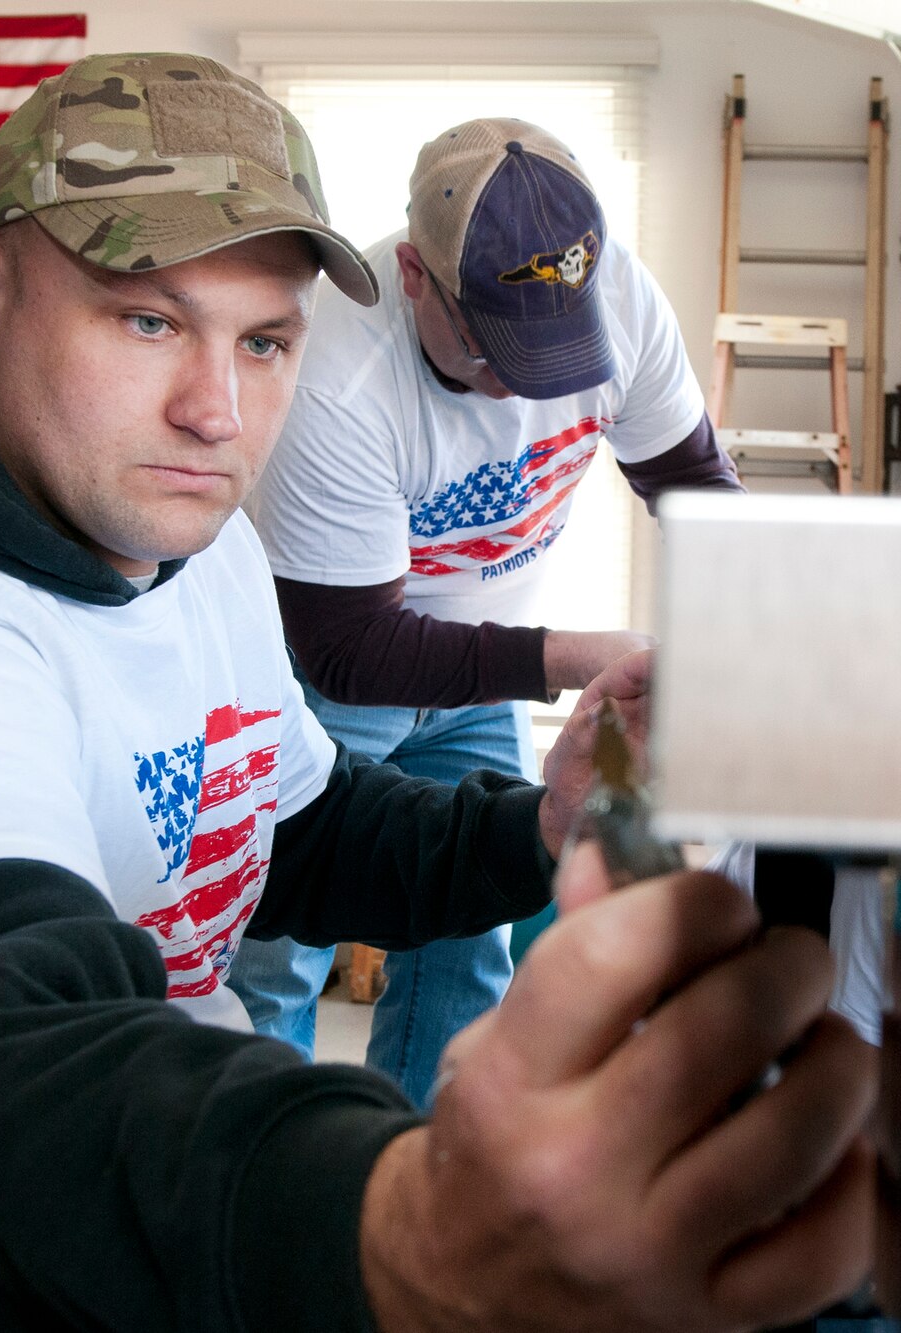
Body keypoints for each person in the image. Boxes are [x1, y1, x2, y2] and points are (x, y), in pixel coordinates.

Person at [0, 55, 874, 1331]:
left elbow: (291, 829)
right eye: (148, 320)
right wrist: (403, 1233)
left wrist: (538, 827)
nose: (214, 412)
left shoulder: (193, 543)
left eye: (266, 339)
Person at [233, 118, 744, 1105]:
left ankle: (421, 1201)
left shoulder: (622, 297)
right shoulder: (336, 370)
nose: (524, 390)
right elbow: (350, 651)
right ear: (416, 276)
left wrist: (758, 624)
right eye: (496, 351)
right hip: (323, 664)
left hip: (478, 667)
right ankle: (252, 1190)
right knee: (277, 951)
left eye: (559, 351)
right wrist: (590, 653)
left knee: (468, 951)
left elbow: (692, 485)